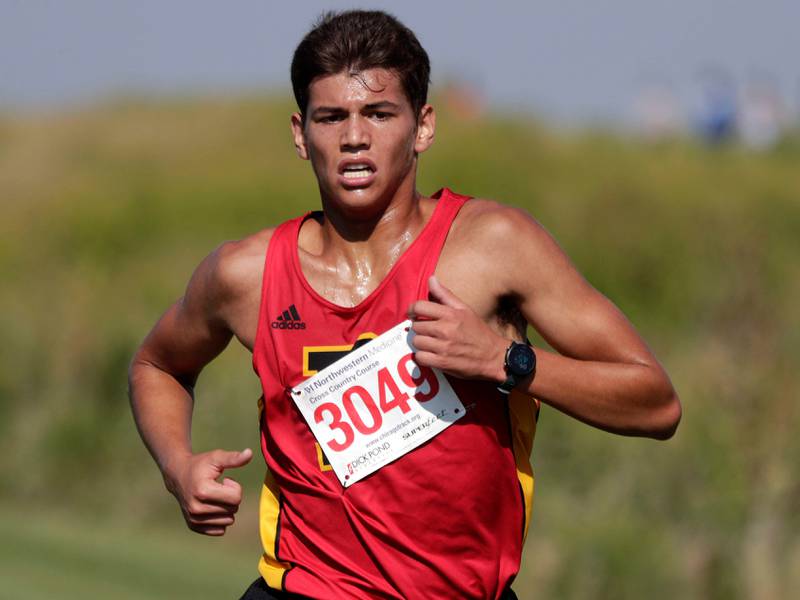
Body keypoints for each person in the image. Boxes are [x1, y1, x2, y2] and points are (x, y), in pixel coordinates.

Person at [128, 10, 681, 600]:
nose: (354, 137)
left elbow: (655, 403)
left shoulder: (494, 247)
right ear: (300, 133)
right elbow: (157, 365)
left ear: (423, 127)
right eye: (331, 117)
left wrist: (506, 362)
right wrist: (177, 466)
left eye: (379, 114)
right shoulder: (248, 275)